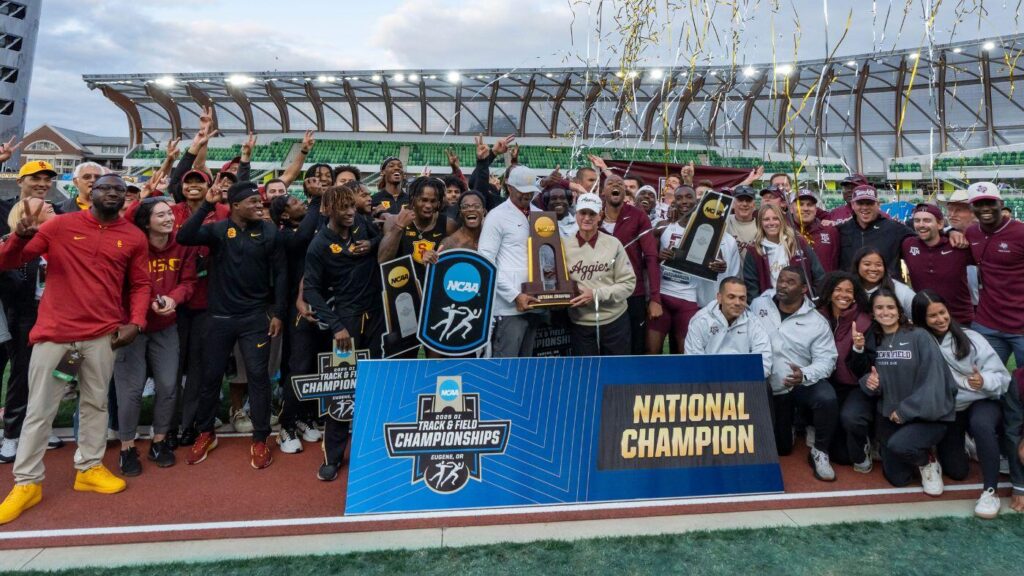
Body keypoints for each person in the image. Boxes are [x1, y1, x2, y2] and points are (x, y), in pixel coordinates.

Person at [0, 174, 152, 525]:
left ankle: (89, 467)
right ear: (90, 193)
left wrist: (137, 321)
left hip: (101, 336)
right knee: (41, 409)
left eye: (118, 189)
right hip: (57, 336)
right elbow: (9, 261)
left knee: (96, 403)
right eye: (105, 187)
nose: (112, 193)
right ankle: (26, 482)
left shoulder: (132, 236)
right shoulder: (61, 226)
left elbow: (141, 283)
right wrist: (20, 236)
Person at [176, 181, 286, 470]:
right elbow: (185, 236)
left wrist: (279, 314)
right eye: (252, 202)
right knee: (211, 377)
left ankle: (260, 438)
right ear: (235, 206)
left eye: (259, 203)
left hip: (254, 318)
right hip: (219, 319)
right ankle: (205, 433)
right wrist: (208, 205)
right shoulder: (218, 230)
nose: (259, 207)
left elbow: (282, 274)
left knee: (258, 377)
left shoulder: (269, 231)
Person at [302, 185, 383, 481]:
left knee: (374, 383)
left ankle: (371, 449)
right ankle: (333, 457)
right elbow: (311, 288)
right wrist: (336, 325)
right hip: (347, 320)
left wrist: (372, 246)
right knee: (342, 387)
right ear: (328, 210)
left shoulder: (361, 223)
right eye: (343, 208)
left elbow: (381, 238)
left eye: (352, 206)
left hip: (376, 314)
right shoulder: (319, 244)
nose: (350, 212)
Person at [113, 198, 198, 475]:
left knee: (168, 385)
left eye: (169, 213)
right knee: (131, 390)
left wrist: (173, 300)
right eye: (160, 215)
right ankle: (127, 447)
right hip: (132, 328)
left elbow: (188, 282)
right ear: (145, 221)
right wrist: (149, 302)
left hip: (166, 326)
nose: (168, 218)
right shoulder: (132, 245)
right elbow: (127, 284)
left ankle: (159, 441)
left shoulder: (182, 244)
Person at [849, 288, 957, 495]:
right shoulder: (875, 340)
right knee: (898, 478)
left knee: (901, 446)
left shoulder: (919, 336)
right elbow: (868, 376)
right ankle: (911, 450)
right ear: (872, 312)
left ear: (899, 310)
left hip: (927, 415)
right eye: (879, 307)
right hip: (891, 415)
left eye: (890, 307)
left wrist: (906, 410)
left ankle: (928, 462)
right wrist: (871, 382)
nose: (885, 312)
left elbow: (934, 381)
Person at [913, 290, 1010, 518]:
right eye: (932, 316)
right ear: (921, 319)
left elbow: (1002, 377)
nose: (940, 319)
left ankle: (990, 491)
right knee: (957, 472)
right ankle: (966, 443)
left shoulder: (970, 337)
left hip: (980, 401)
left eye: (942, 312)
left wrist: (983, 380)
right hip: (952, 410)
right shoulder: (919, 341)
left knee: (981, 425)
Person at [963, 181, 1024, 512]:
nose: (985, 208)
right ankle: (994, 446)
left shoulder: (1020, 232)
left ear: (1002, 203)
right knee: (986, 389)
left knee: (1018, 398)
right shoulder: (972, 233)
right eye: (979, 204)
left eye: (990, 202)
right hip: (987, 324)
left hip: (1022, 327)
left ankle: (1019, 475)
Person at [750, 266, 839, 482]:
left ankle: (820, 451)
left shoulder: (817, 322)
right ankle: (790, 425)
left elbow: (827, 360)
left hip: (797, 384)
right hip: (767, 386)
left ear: (803, 290)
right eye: (780, 280)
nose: (782, 285)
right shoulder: (759, 304)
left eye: (790, 282)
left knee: (826, 398)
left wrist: (805, 374)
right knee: (782, 449)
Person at [0, 198, 58, 464]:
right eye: (40, 205)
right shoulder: (12, 243)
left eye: (50, 204)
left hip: (63, 318)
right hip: (26, 317)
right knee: (22, 377)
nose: (48, 206)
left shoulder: (64, 240)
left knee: (62, 375)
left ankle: (43, 428)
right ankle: (12, 435)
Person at [648, 185, 738, 354]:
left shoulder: (705, 230)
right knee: (651, 352)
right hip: (663, 296)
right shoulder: (662, 227)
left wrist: (719, 266)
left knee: (687, 355)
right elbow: (648, 258)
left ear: (697, 200)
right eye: (679, 198)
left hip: (688, 298)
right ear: (673, 201)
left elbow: (717, 262)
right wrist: (658, 255)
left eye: (689, 197)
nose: (684, 201)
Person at [478, 165, 543, 358]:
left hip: (537, 303)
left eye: (531, 191)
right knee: (505, 366)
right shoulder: (496, 216)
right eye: (522, 191)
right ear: (509, 187)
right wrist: (515, 295)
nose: (527, 195)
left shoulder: (540, 215)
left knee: (528, 366)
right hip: (509, 307)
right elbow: (486, 262)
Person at [561, 193, 636, 356]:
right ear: (576, 214)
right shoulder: (563, 246)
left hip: (614, 321)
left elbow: (628, 284)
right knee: (587, 375)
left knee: (616, 373)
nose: (587, 218)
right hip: (580, 323)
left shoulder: (613, 244)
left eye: (592, 213)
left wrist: (595, 294)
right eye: (583, 213)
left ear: (600, 215)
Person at [599, 175, 662, 356]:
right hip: (603, 291)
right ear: (603, 192)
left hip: (633, 292)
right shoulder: (594, 217)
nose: (615, 185)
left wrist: (655, 299)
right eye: (610, 183)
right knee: (607, 345)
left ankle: (633, 384)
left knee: (636, 346)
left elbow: (651, 256)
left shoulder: (637, 215)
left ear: (625, 191)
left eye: (619, 183)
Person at [818, 271, 874, 469]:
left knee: (850, 421)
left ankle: (864, 440)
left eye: (849, 291)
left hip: (853, 386)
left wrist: (858, 348)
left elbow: (866, 368)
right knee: (839, 455)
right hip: (827, 384)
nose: (843, 294)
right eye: (838, 289)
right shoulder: (819, 315)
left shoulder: (863, 321)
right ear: (829, 291)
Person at [684, 277, 772, 379]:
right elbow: (693, 362)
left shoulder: (753, 323)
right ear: (719, 298)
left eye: (742, 298)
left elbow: (764, 361)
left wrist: (739, 379)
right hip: (708, 383)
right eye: (731, 297)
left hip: (744, 382)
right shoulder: (700, 321)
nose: (737, 303)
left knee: (766, 387)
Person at [901, 203, 974, 325]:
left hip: (960, 319)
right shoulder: (908, 245)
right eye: (917, 220)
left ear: (940, 224)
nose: (921, 225)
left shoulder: (958, 244)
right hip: (926, 320)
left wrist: (952, 231)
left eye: (927, 220)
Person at [377, 176, 451, 284]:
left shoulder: (448, 224)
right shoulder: (394, 221)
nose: (428, 206)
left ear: (439, 203)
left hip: (432, 288)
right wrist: (399, 227)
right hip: (402, 287)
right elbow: (383, 260)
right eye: (424, 200)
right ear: (413, 199)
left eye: (433, 201)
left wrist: (436, 258)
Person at [742, 204, 824, 300]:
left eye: (775, 218)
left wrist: (812, 298)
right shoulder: (754, 250)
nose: (771, 223)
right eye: (766, 219)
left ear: (782, 221)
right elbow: (751, 287)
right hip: (770, 305)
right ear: (760, 223)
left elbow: (818, 274)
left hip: (800, 303)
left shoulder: (798, 242)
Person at [837, 185, 915, 276]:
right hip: (854, 288)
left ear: (878, 204)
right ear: (853, 205)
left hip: (886, 288)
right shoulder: (841, 230)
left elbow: (921, 245)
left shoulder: (895, 229)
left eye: (869, 203)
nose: (865, 207)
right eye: (860, 203)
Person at [850, 247, 915, 316]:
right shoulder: (848, 288)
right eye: (867, 264)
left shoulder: (901, 291)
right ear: (857, 266)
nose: (873, 269)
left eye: (878, 265)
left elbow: (920, 319)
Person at [793, 189, 839, 272]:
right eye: (800, 204)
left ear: (816, 209)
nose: (805, 208)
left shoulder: (830, 231)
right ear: (791, 208)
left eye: (810, 205)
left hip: (824, 284)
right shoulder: (784, 231)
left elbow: (836, 263)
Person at [725, 185, 758, 256]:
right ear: (733, 204)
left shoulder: (761, 226)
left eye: (748, 200)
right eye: (740, 200)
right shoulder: (724, 222)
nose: (744, 204)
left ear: (754, 205)